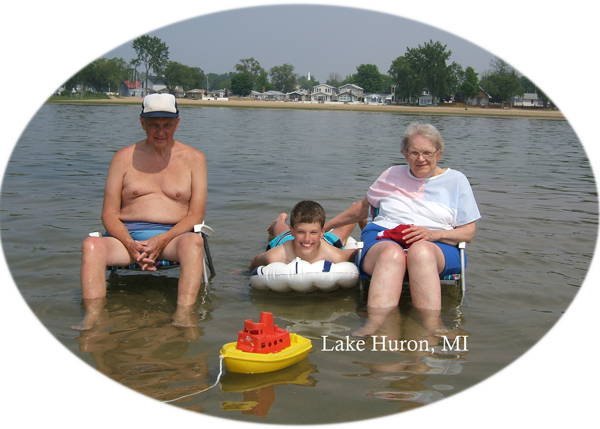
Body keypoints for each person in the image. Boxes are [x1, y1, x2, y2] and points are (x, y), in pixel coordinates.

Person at [73, 93, 208, 330]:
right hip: (126, 238)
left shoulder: (195, 159)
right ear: (142, 123)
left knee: (194, 244)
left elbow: (196, 215)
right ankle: (93, 317)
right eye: (154, 124)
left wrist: (161, 240)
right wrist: (129, 243)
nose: (160, 132)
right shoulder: (123, 158)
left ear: (177, 123)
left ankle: (183, 314)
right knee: (91, 245)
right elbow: (108, 214)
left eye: (167, 125)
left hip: (173, 238)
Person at [324, 122, 480, 315]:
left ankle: (430, 328)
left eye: (427, 153)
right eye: (414, 153)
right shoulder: (391, 175)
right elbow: (362, 208)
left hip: (438, 243)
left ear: (438, 153)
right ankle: (376, 327)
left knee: (421, 251)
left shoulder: (457, 181)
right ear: (405, 154)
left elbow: (468, 233)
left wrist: (432, 234)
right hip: (384, 237)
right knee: (391, 253)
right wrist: (327, 226)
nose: (420, 159)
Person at [249, 200, 357, 271]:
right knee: (281, 232)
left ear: (322, 232)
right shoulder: (275, 256)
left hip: (322, 243)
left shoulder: (334, 255)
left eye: (314, 232)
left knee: (343, 232)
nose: (307, 239)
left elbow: (353, 254)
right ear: (293, 230)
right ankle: (279, 220)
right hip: (288, 242)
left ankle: (356, 207)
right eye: (301, 232)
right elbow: (255, 262)